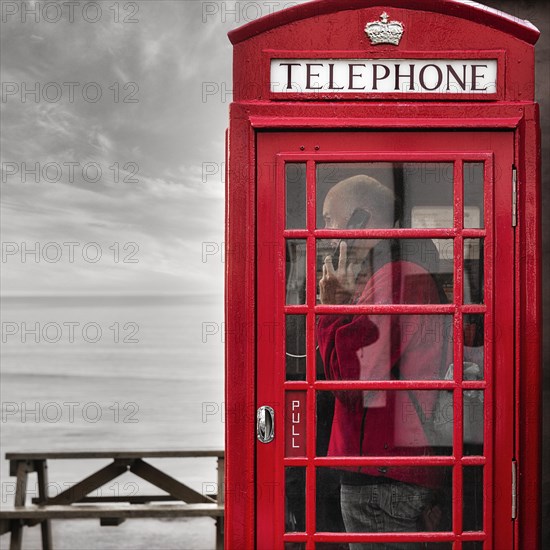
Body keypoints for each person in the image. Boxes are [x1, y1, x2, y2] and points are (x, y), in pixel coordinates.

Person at [316, 175, 449, 549]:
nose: (322, 229)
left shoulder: (395, 278)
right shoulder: (390, 274)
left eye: (329, 219)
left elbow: (351, 381)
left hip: (380, 473)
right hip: (390, 468)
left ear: (360, 219)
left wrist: (330, 310)